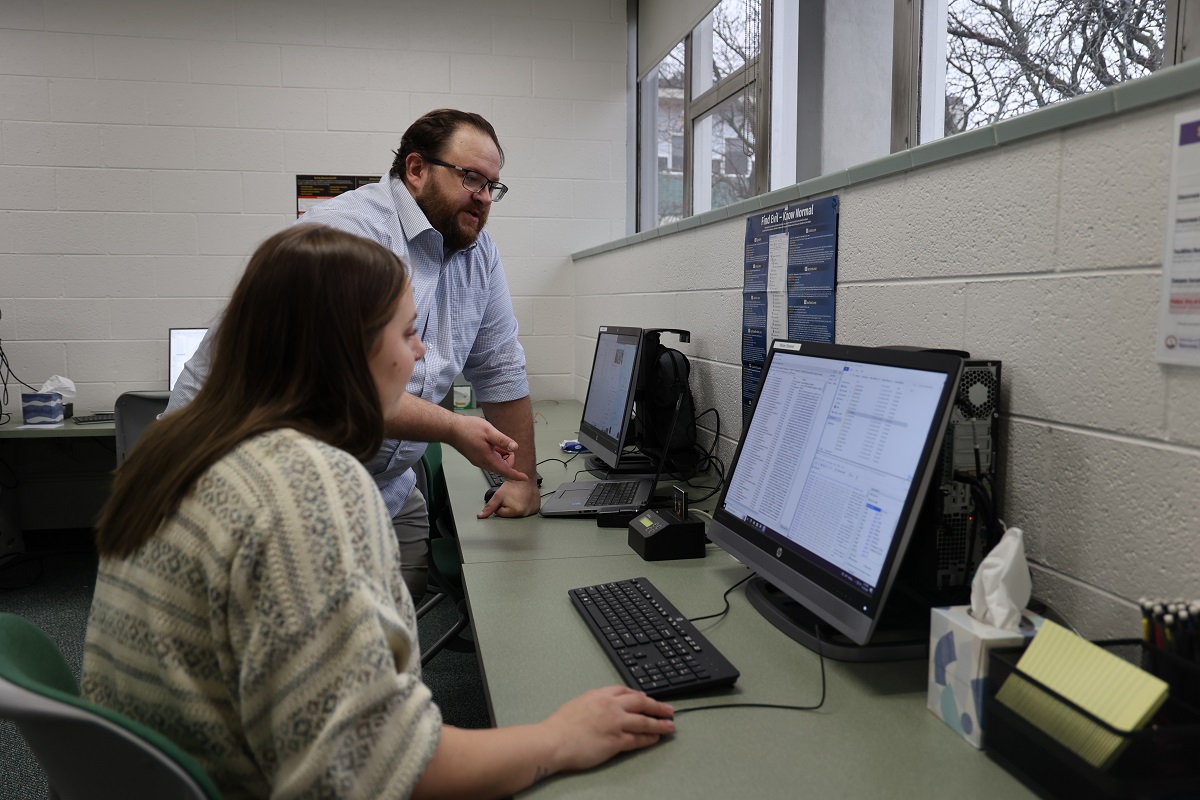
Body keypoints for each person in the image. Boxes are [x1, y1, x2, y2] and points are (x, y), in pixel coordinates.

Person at [83, 225, 675, 800]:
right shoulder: (307, 485)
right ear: (346, 352)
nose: (420, 354)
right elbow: (369, 774)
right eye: (407, 332)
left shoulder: (180, 446)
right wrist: (557, 738)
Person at [168, 108, 539, 602]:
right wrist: (452, 428)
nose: (485, 197)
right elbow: (337, 387)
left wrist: (521, 481)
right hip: (247, 476)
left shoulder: (478, 253)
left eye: (494, 185)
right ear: (416, 169)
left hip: (371, 477)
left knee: (395, 608)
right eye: (471, 177)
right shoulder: (346, 236)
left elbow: (501, 370)